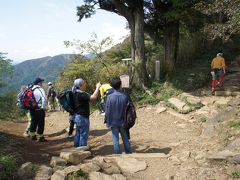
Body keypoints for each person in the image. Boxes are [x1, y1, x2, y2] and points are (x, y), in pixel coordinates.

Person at [105, 77, 132, 154]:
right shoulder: (126, 96)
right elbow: (130, 108)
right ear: (120, 85)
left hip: (113, 122)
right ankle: (129, 152)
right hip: (124, 121)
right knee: (125, 138)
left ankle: (117, 154)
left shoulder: (109, 97)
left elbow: (107, 110)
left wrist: (107, 122)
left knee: (115, 139)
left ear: (112, 86)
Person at [72, 78, 101, 147]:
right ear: (81, 85)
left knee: (78, 133)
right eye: (85, 83)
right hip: (82, 117)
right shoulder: (81, 94)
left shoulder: (75, 92)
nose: (86, 85)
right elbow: (93, 97)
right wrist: (97, 87)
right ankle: (82, 151)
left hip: (77, 116)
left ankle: (76, 149)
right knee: (84, 134)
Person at [29, 77, 47, 142]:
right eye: (41, 82)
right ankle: (40, 137)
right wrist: (43, 107)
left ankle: (32, 135)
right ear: (39, 83)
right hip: (39, 109)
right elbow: (44, 98)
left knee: (33, 121)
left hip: (31, 109)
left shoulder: (31, 89)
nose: (42, 83)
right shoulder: (40, 89)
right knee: (41, 123)